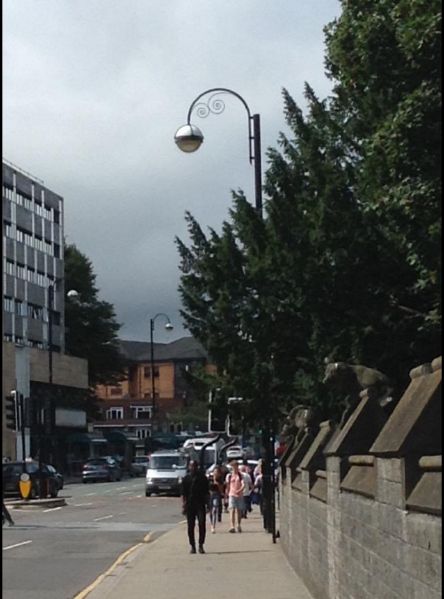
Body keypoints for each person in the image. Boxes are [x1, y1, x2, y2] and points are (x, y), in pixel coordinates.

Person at [181, 460, 210, 554]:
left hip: (200, 504)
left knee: (202, 524)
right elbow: (183, 494)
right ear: (189, 467)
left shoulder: (202, 478)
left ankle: (201, 545)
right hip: (190, 505)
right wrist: (183, 505)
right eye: (191, 466)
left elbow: (207, 492)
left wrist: (208, 505)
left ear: (197, 467)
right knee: (190, 526)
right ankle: (192, 546)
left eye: (194, 466)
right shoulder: (186, 478)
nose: (192, 468)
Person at [225, 460, 245, 533]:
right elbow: (227, 486)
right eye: (233, 467)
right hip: (232, 494)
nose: (234, 468)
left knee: (239, 510)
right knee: (232, 509)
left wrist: (240, 490)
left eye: (235, 467)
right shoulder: (229, 476)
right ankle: (232, 526)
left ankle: (238, 524)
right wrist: (226, 495)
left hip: (239, 494)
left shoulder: (241, 475)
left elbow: (243, 484)